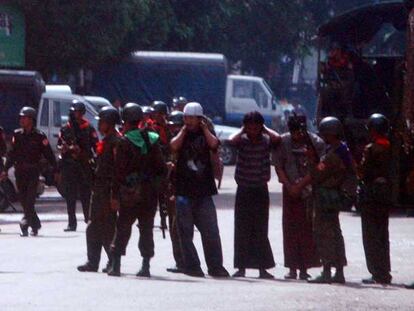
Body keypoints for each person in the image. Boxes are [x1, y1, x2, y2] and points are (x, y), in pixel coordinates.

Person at [170, 102, 229, 278]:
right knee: (185, 233)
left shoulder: (206, 134)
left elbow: (214, 144)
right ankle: (192, 266)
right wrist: (183, 130)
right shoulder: (182, 134)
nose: (188, 121)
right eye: (186, 118)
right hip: (184, 192)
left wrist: (204, 129)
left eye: (191, 118)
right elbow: (173, 146)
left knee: (211, 231)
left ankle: (215, 266)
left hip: (204, 192)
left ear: (200, 119)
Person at [108, 103, 167, 277]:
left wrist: (114, 195)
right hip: (149, 193)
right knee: (146, 228)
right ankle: (146, 266)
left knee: (123, 227)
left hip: (129, 193)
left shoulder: (124, 142)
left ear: (125, 121)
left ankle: (116, 265)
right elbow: (162, 169)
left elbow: (118, 172)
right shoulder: (153, 139)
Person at [295, 117, 351, 284]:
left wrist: (311, 159)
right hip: (334, 196)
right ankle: (339, 271)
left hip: (326, 197)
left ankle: (327, 270)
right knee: (335, 233)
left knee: (323, 233)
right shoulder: (342, 150)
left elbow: (317, 175)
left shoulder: (332, 156)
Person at [229, 111, 280, 279]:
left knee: (260, 230)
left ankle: (262, 268)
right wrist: (243, 130)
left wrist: (264, 128)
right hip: (244, 189)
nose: (252, 130)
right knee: (241, 229)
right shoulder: (241, 141)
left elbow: (277, 139)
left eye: (256, 126)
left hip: (260, 189)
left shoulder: (266, 141)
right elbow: (230, 140)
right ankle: (241, 267)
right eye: (249, 127)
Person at [274, 115, 324, 280]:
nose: (297, 136)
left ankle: (305, 268)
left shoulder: (316, 142)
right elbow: (279, 166)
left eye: (299, 133)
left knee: (306, 230)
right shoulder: (283, 142)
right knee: (289, 229)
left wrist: (301, 185)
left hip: (308, 191)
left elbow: (319, 167)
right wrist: (290, 186)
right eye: (294, 132)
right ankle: (292, 268)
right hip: (289, 191)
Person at [77, 106, 121, 273]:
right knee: (94, 226)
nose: (99, 126)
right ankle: (93, 261)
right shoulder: (106, 141)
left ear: (109, 124)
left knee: (108, 227)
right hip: (99, 188)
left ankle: (113, 261)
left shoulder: (116, 142)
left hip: (108, 189)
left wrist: (115, 195)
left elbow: (118, 170)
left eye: (102, 123)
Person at [1, 107, 57, 237]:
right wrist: (5, 170)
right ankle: (35, 223)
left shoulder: (39, 136)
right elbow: (11, 155)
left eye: (24, 118)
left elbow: (48, 154)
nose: (21, 120)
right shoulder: (17, 135)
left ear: (31, 120)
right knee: (23, 200)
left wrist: (56, 169)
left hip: (33, 172)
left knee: (30, 199)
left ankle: (24, 223)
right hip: (20, 172)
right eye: (21, 118)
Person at [359, 114, 392, 285]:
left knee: (371, 235)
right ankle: (385, 271)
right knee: (383, 234)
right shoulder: (392, 147)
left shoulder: (371, 149)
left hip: (371, 194)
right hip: (385, 193)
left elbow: (363, 172)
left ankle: (377, 272)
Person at [58, 100, 98, 232]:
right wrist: (64, 149)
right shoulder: (65, 128)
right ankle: (71, 223)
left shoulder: (88, 128)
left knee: (86, 194)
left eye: (78, 112)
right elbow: (59, 144)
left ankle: (88, 220)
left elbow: (95, 146)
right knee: (70, 195)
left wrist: (84, 153)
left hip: (84, 164)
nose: (76, 115)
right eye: (74, 112)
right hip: (70, 166)